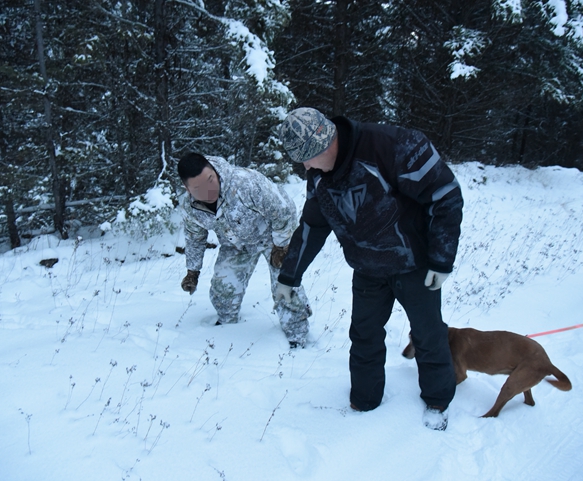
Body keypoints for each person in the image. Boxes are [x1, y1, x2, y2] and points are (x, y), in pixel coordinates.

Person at [275, 108, 463, 430]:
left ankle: (437, 399)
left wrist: (441, 259)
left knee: (428, 334)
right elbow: (312, 226)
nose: (305, 167)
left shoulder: (394, 147)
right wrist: (289, 275)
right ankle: (364, 400)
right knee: (364, 335)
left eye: (306, 158)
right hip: (367, 267)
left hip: (414, 265)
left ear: (325, 143)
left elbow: (445, 196)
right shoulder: (319, 176)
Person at [178, 152, 312, 348]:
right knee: (223, 290)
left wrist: (282, 246)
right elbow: (195, 238)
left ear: (214, 171)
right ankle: (227, 327)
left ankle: (297, 334)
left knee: (285, 283)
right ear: (187, 189)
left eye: (210, 180)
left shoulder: (245, 183)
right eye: (199, 188)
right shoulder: (190, 208)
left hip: (272, 237)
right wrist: (192, 270)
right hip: (236, 245)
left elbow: (284, 210)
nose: (209, 189)